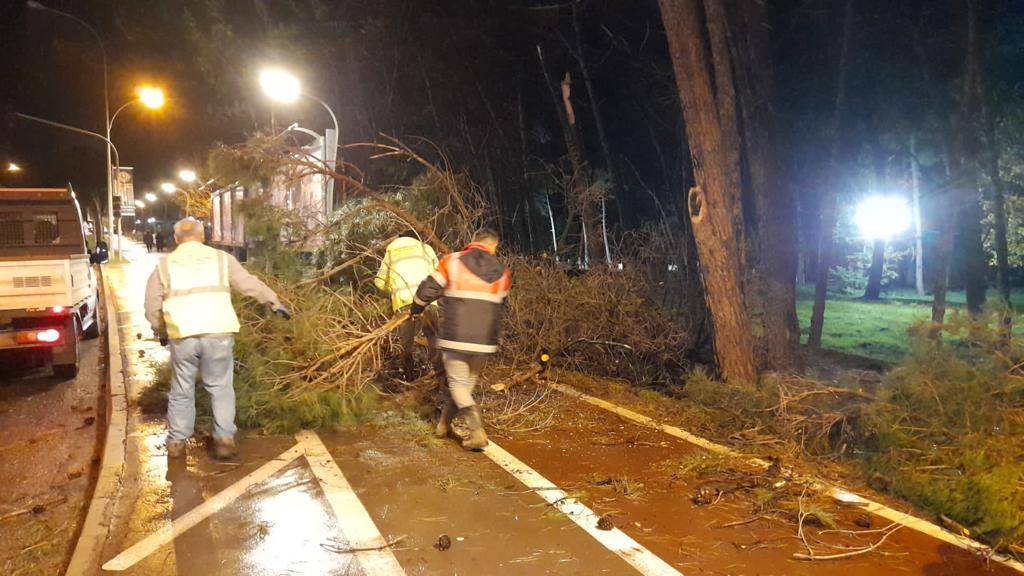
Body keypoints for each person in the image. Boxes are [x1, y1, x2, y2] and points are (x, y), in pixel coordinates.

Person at [144, 218, 291, 460]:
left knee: (182, 388)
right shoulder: (222, 259)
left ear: (176, 238)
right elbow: (247, 284)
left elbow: (152, 303)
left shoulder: (164, 265)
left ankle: (177, 442)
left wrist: (159, 328)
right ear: (203, 236)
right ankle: (224, 439)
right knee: (221, 387)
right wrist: (273, 301)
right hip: (218, 333)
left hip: (183, 335)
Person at [411, 228, 510, 451]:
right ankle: (443, 426)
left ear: (473, 241)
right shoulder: (503, 271)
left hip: (455, 337)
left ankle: (476, 432)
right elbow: (503, 304)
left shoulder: (452, 262)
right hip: (485, 340)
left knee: (457, 385)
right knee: (464, 386)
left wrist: (415, 308)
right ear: (493, 246)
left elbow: (428, 289)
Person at [374, 230, 441, 380]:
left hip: (404, 302)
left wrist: (390, 290)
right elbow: (439, 276)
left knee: (406, 343)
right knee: (433, 335)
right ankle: (438, 374)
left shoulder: (391, 251)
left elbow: (379, 282)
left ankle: (408, 376)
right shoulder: (426, 248)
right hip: (427, 299)